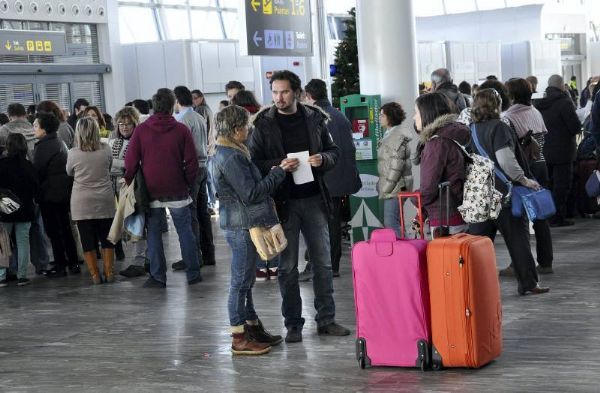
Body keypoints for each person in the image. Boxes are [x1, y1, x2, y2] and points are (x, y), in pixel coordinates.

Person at [249, 70, 349, 343]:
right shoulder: (263, 124)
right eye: (275, 92)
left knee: (323, 263)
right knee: (287, 267)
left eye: (284, 92)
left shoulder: (315, 118)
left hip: (315, 198)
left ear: (296, 93)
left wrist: (323, 159)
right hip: (283, 204)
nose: (278, 98)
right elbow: (253, 163)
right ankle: (293, 323)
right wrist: (279, 166)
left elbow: (334, 152)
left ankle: (326, 319)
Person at [213, 105, 290, 355]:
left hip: (238, 222)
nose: (249, 129)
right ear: (236, 130)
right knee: (240, 282)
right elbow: (252, 193)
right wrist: (279, 173)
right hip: (242, 224)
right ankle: (239, 337)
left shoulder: (227, 151)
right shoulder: (232, 156)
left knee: (245, 281)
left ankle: (252, 327)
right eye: (246, 126)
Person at [467, 88, 549, 296]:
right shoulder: (499, 127)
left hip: (482, 195)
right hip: (505, 194)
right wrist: (524, 180)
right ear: (497, 105)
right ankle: (528, 282)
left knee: (477, 244)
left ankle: (469, 284)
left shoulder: (473, 129)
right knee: (518, 240)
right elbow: (505, 160)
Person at [124, 88, 201, 288]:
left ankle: (158, 277)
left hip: (151, 189)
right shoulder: (181, 129)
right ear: (171, 105)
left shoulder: (141, 130)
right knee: (185, 231)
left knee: (154, 234)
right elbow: (192, 162)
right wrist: (186, 183)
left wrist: (128, 180)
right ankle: (193, 273)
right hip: (178, 188)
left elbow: (131, 160)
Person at [303, 79, 361, 278]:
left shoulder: (314, 116)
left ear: (309, 97)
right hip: (341, 178)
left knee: (320, 224)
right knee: (333, 223)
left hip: (324, 179)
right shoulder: (340, 115)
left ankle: (320, 265)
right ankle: (332, 265)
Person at [504, 78, 554, 275]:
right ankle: (546, 261)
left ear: (511, 95)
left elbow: (509, 148)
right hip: (541, 165)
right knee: (541, 216)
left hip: (524, 169)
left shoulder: (508, 117)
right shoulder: (535, 112)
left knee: (518, 218)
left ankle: (518, 264)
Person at [66, 117, 116, 284]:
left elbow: (69, 172)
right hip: (105, 198)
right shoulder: (106, 149)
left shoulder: (73, 153)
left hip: (82, 201)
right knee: (107, 237)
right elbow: (109, 168)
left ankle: (95, 276)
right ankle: (109, 272)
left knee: (87, 240)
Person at [231, 89, 274, 281]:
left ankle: (259, 266)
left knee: (253, 225)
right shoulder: (264, 119)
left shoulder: (237, 123)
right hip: (267, 174)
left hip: (248, 175)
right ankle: (273, 266)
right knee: (271, 221)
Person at [413, 92, 470, 237]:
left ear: (427, 114)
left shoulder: (436, 143)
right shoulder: (456, 133)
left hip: (444, 217)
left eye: (416, 113)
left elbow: (428, 188)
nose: (414, 117)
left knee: (445, 258)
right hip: (459, 210)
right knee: (459, 258)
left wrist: (413, 197)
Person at [172, 85, 215, 270]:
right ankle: (208, 254)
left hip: (191, 169)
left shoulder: (181, 121)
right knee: (202, 213)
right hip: (203, 166)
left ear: (176, 100)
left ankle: (193, 256)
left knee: (190, 213)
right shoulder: (197, 116)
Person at [32, 112, 79, 277]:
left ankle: (60, 264)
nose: (34, 128)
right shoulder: (58, 142)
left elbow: (38, 171)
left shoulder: (43, 146)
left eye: (36, 125)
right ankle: (73, 262)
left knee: (54, 231)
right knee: (65, 228)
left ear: (44, 128)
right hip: (63, 192)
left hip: (49, 194)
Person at [534, 75, 582, 227]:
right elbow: (574, 127)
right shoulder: (565, 102)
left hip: (544, 151)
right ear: (561, 86)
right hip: (563, 151)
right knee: (562, 185)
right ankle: (557, 217)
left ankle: (547, 215)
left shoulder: (538, 103)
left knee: (548, 184)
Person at [0, 134, 38, 287]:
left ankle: (1, 275)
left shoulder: (1, 164)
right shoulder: (28, 165)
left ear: (8, 146)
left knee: (3, 243)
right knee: (23, 242)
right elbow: (35, 188)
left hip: (4, 209)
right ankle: (22, 275)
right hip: (25, 209)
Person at [377, 102, 413, 238]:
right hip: (396, 186)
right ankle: (404, 252)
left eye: (382, 115)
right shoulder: (391, 134)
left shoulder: (395, 136)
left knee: (391, 222)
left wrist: (387, 187)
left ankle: (402, 254)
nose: (379, 118)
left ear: (390, 117)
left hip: (395, 187)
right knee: (395, 222)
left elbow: (396, 165)